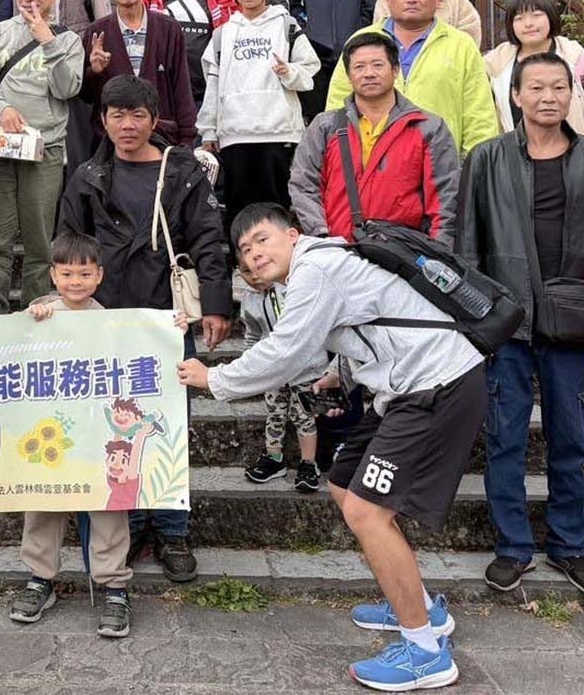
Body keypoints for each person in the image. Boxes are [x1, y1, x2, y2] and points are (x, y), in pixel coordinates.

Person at [179, 203, 486, 691]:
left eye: (262, 239)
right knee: (344, 484)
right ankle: (421, 607)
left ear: (293, 234)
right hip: (402, 387)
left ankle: (425, 651)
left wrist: (213, 379)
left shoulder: (316, 267)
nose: (254, 254)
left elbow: (285, 351)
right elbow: (358, 329)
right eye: (244, 250)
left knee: (366, 511)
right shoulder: (317, 267)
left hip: (436, 384)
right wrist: (336, 375)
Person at [457, 51, 584, 599]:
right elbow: (467, 246)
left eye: (558, 86)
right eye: (536, 87)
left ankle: (569, 545)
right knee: (504, 437)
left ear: (571, 95)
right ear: (516, 95)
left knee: (570, 438)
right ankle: (512, 547)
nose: (548, 96)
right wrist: (470, 320)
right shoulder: (486, 160)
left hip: (571, 321)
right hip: (507, 321)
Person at [58, 75, 232, 582]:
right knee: (119, 423)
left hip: (166, 318)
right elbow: (67, 245)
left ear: (154, 120)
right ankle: (130, 525)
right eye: (117, 115)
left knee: (171, 423)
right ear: (104, 120)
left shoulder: (183, 172)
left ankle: (174, 531)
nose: (127, 125)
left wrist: (216, 306)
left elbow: (207, 239)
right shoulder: (87, 175)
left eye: (137, 115)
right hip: (107, 319)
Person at [9, 233, 135, 639]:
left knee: (108, 507)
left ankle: (115, 586)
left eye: (84, 273)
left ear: (99, 276)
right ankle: (40, 578)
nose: (75, 281)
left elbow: (136, 355)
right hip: (49, 435)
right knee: (42, 503)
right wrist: (34, 315)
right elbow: (15, 350)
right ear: (53, 275)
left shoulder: (112, 322)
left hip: (98, 435)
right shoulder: (41, 312)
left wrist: (167, 330)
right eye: (66, 273)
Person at [0, 0, 84, 314]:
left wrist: (48, 43)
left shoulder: (68, 39)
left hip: (44, 151)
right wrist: (0, 108)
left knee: (39, 244)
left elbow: (67, 90)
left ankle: (35, 312)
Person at [290, 33, 460, 245]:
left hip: (403, 257)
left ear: (395, 70)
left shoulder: (427, 127)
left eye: (377, 65)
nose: (368, 73)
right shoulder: (325, 127)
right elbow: (304, 184)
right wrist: (322, 237)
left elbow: (445, 200)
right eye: (359, 67)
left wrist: (438, 254)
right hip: (338, 253)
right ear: (349, 75)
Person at [197, 0, 319, 241]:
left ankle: (279, 264)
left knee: (276, 205)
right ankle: (244, 267)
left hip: (278, 133)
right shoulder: (223, 34)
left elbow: (310, 70)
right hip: (235, 135)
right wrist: (208, 129)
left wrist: (288, 72)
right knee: (239, 206)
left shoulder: (286, 26)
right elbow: (213, 84)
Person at [326, 0, 498, 156]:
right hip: (369, 166)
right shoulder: (361, 42)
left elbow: (480, 115)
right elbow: (338, 103)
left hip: (440, 168)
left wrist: (473, 169)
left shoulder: (461, 46)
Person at [484, 0, 584, 165]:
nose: (528, 24)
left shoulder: (580, 60)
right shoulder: (495, 66)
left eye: (536, 15)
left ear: (550, 16)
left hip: (575, 165)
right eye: (519, 18)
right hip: (517, 168)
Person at [82, 0, 196, 149]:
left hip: (161, 138)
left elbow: (182, 89)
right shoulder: (96, 32)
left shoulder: (168, 29)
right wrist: (95, 72)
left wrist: (187, 141)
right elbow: (86, 97)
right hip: (112, 143)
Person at [237, 253, 321, 492]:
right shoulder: (249, 299)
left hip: (304, 364)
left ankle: (309, 464)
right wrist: (250, 363)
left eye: (257, 269)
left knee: (304, 414)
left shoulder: (291, 287)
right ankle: (274, 459)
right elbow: (252, 334)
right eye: (246, 271)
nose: (254, 277)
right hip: (272, 366)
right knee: (275, 412)